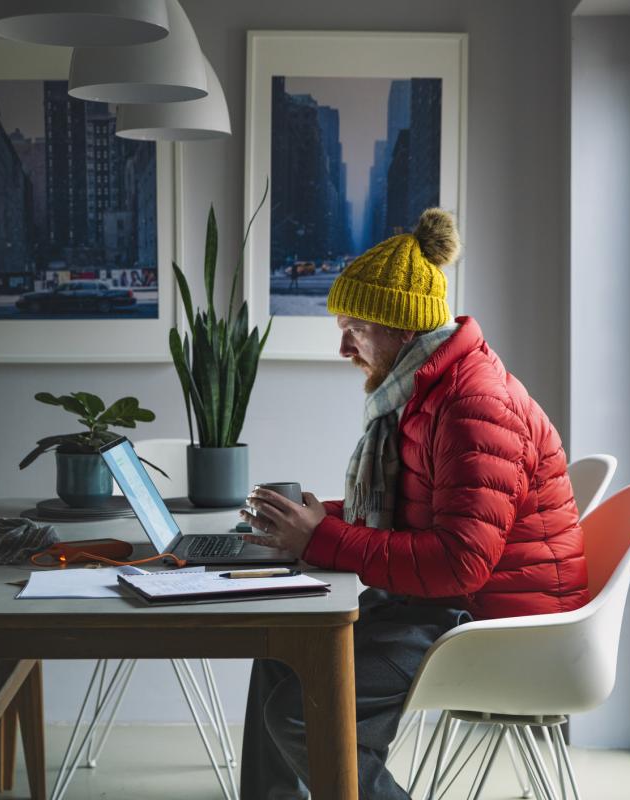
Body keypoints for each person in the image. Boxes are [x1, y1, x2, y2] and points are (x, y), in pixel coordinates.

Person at [239, 208, 588, 800]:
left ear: (402, 330)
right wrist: (317, 520)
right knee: (283, 648)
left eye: (356, 328)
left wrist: (319, 538)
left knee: (301, 713)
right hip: (454, 602)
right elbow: (414, 511)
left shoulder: (474, 407)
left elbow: (460, 563)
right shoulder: (426, 390)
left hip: (493, 622)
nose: (344, 347)